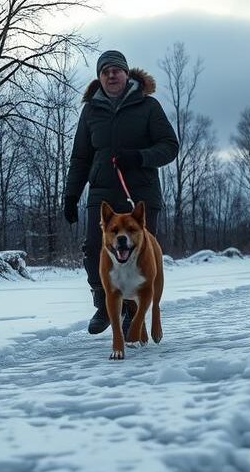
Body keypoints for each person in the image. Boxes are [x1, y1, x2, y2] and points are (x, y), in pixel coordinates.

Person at [62, 50, 180, 334]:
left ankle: (132, 310)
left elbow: (169, 147)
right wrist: (71, 195)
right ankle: (103, 301)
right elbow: (80, 157)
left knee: (138, 253)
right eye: (105, 71)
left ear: (127, 74)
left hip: (139, 195)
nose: (111, 75)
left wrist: (139, 157)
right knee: (94, 247)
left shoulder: (148, 106)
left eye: (116, 70)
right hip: (102, 194)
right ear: (99, 77)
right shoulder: (90, 111)